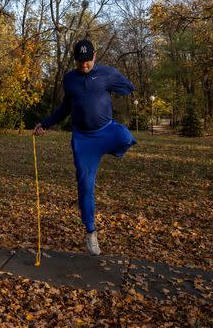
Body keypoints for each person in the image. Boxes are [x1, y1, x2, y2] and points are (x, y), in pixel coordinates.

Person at [34, 39, 136, 255]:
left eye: (87, 61)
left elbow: (127, 86)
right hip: (83, 140)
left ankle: (114, 150)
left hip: (106, 130)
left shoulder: (107, 74)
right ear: (75, 60)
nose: (84, 65)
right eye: (80, 62)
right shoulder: (69, 79)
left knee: (126, 137)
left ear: (94, 56)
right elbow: (64, 108)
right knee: (86, 185)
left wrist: (124, 89)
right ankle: (91, 233)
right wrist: (46, 124)